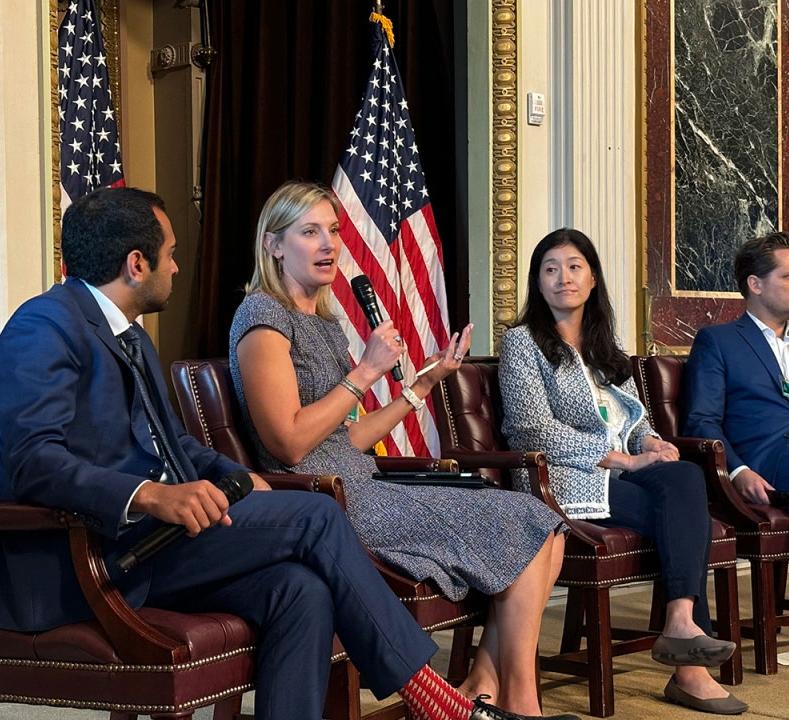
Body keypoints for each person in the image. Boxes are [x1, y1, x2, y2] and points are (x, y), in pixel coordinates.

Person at [0, 187, 569, 720]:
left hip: (159, 545)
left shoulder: (132, 336)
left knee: (302, 589)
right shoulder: (44, 325)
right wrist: (151, 495)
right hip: (96, 557)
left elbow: (179, 447)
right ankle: (431, 697)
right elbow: (30, 459)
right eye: (170, 254)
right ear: (136, 264)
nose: (177, 266)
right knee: (318, 514)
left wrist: (241, 478)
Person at [230, 181, 577, 720]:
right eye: (310, 232)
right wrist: (365, 372)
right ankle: (520, 704)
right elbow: (290, 442)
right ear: (274, 246)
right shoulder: (262, 319)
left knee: (541, 524)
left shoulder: (321, 323)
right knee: (527, 523)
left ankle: (487, 687)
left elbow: (345, 438)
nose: (329, 245)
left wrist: (421, 386)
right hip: (326, 502)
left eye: (335, 231)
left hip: (359, 479)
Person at [497, 228, 747, 715]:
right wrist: (623, 459)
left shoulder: (605, 349)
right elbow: (529, 431)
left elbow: (633, 423)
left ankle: (680, 622)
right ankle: (689, 666)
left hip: (622, 478)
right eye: (550, 268)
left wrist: (651, 442)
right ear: (537, 281)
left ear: (592, 279)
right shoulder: (523, 343)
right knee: (681, 508)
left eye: (574, 267)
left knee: (683, 479)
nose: (562, 277)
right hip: (566, 481)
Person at [684, 232, 789, 503]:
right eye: (787, 277)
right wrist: (738, 471)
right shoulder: (719, 341)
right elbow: (702, 421)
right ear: (755, 284)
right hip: (768, 463)